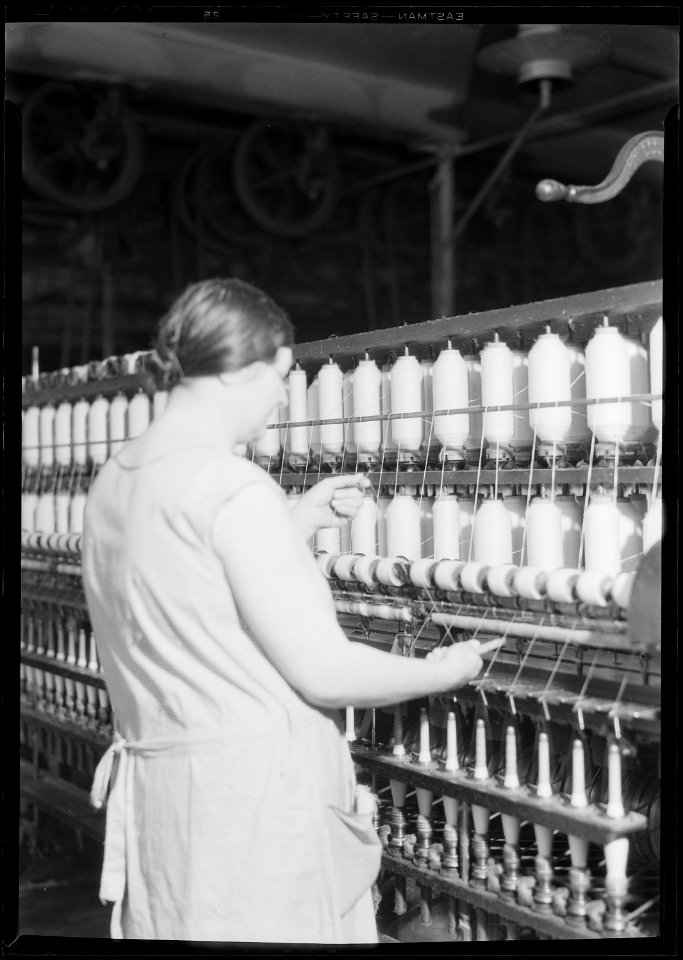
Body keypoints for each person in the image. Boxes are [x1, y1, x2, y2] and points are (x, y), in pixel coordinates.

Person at [82, 277, 499, 944]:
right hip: (252, 814)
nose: (283, 396)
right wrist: (441, 670)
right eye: (277, 376)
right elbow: (324, 673)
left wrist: (290, 522)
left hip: (170, 804)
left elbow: (186, 586)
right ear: (234, 373)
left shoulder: (118, 477)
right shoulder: (233, 488)